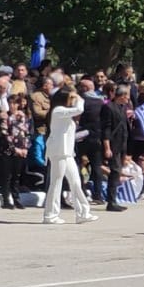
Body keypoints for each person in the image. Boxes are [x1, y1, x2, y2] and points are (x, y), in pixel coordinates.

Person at [42, 88, 98, 225]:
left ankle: (83, 213)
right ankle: (50, 215)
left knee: (76, 181)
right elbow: (79, 109)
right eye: (70, 98)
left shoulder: (64, 113)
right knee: (56, 182)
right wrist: (79, 98)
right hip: (58, 152)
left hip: (67, 153)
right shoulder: (58, 110)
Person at [102, 86, 131, 211]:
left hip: (121, 144)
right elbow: (106, 128)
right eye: (127, 96)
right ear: (122, 96)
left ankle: (114, 200)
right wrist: (107, 147)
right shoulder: (108, 107)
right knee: (114, 172)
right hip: (113, 145)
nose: (128, 98)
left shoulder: (123, 108)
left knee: (117, 172)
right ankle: (111, 202)